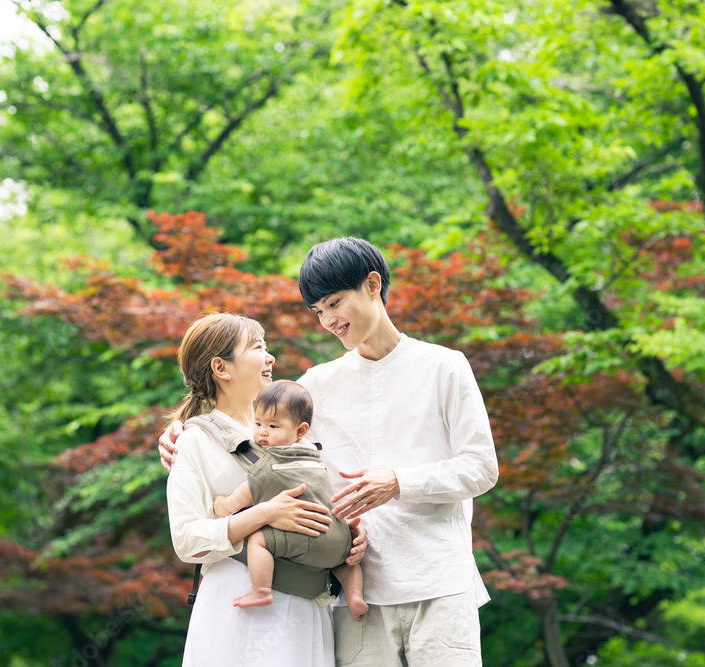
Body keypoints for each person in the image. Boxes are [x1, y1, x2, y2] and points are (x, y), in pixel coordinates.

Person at [162, 238, 499, 666]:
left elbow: (481, 467)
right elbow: (253, 421)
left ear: (373, 285)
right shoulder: (315, 386)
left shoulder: (444, 366)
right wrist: (183, 428)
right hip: (355, 594)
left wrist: (398, 483)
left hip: (438, 581)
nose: (328, 321)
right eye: (318, 311)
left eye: (335, 304)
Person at [165, 312, 366, 667]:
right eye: (258, 348)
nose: (270, 357)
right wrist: (264, 514)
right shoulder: (194, 440)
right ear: (221, 368)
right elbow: (186, 540)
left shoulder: (293, 432)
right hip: (240, 603)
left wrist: (346, 532)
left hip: (305, 603)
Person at [210, 379, 368, 619]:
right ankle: (355, 595)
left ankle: (261, 590)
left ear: (300, 430)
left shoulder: (269, 465)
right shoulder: (315, 458)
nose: (262, 432)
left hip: (304, 538)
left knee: (258, 540)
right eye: (258, 423)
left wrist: (222, 504)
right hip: (337, 540)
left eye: (273, 426)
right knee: (345, 562)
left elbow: (237, 501)